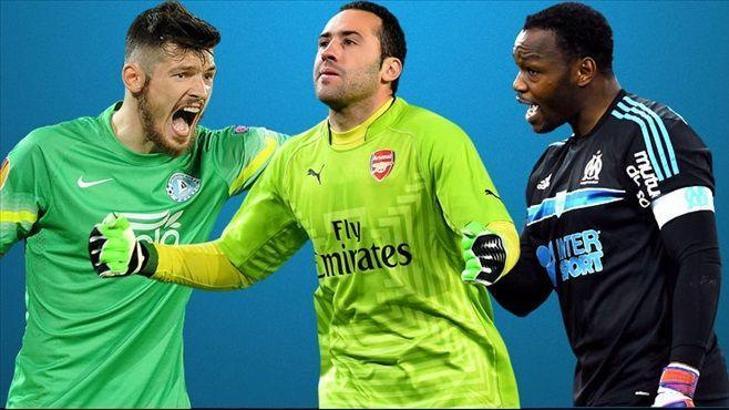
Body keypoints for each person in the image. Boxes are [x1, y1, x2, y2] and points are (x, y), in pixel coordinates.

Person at [87, 1, 522, 407]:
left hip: (454, 386)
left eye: (349, 42)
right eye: (323, 42)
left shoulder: (433, 138)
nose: (329, 51)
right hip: (349, 393)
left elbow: (491, 226)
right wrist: (146, 256)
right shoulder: (296, 160)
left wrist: (493, 250)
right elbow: (235, 261)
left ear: (390, 68)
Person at [0, 1, 286, 407]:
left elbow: (318, 154)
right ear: (134, 78)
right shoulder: (47, 155)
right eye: (182, 74)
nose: (200, 90)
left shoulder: (217, 157)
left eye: (208, 75)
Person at [464, 2, 729, 407]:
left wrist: (680, 378)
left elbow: (698, 257)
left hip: (666, 391)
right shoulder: (549, 169)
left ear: (583, 71)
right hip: (598, 392)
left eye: (532, 71)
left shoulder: (651, 133)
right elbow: (525, 295)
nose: (518, 84)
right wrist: (491, 260)